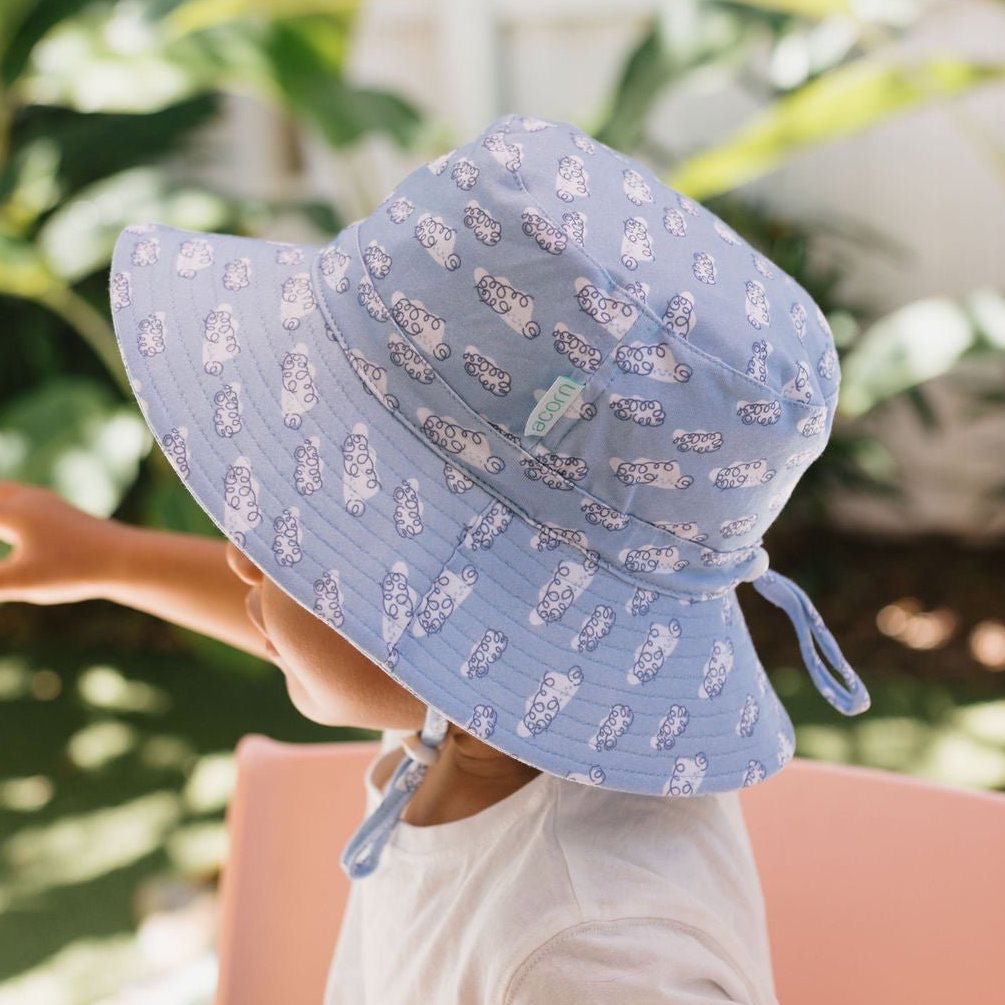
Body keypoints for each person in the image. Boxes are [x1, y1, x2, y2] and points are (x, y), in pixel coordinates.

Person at [0, 113, 872, 1003]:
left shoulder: (595, 956)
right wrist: (106, 556)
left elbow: (326, 635)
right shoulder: (487, 715)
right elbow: (316, 635)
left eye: (308, 537)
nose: (244, 558)